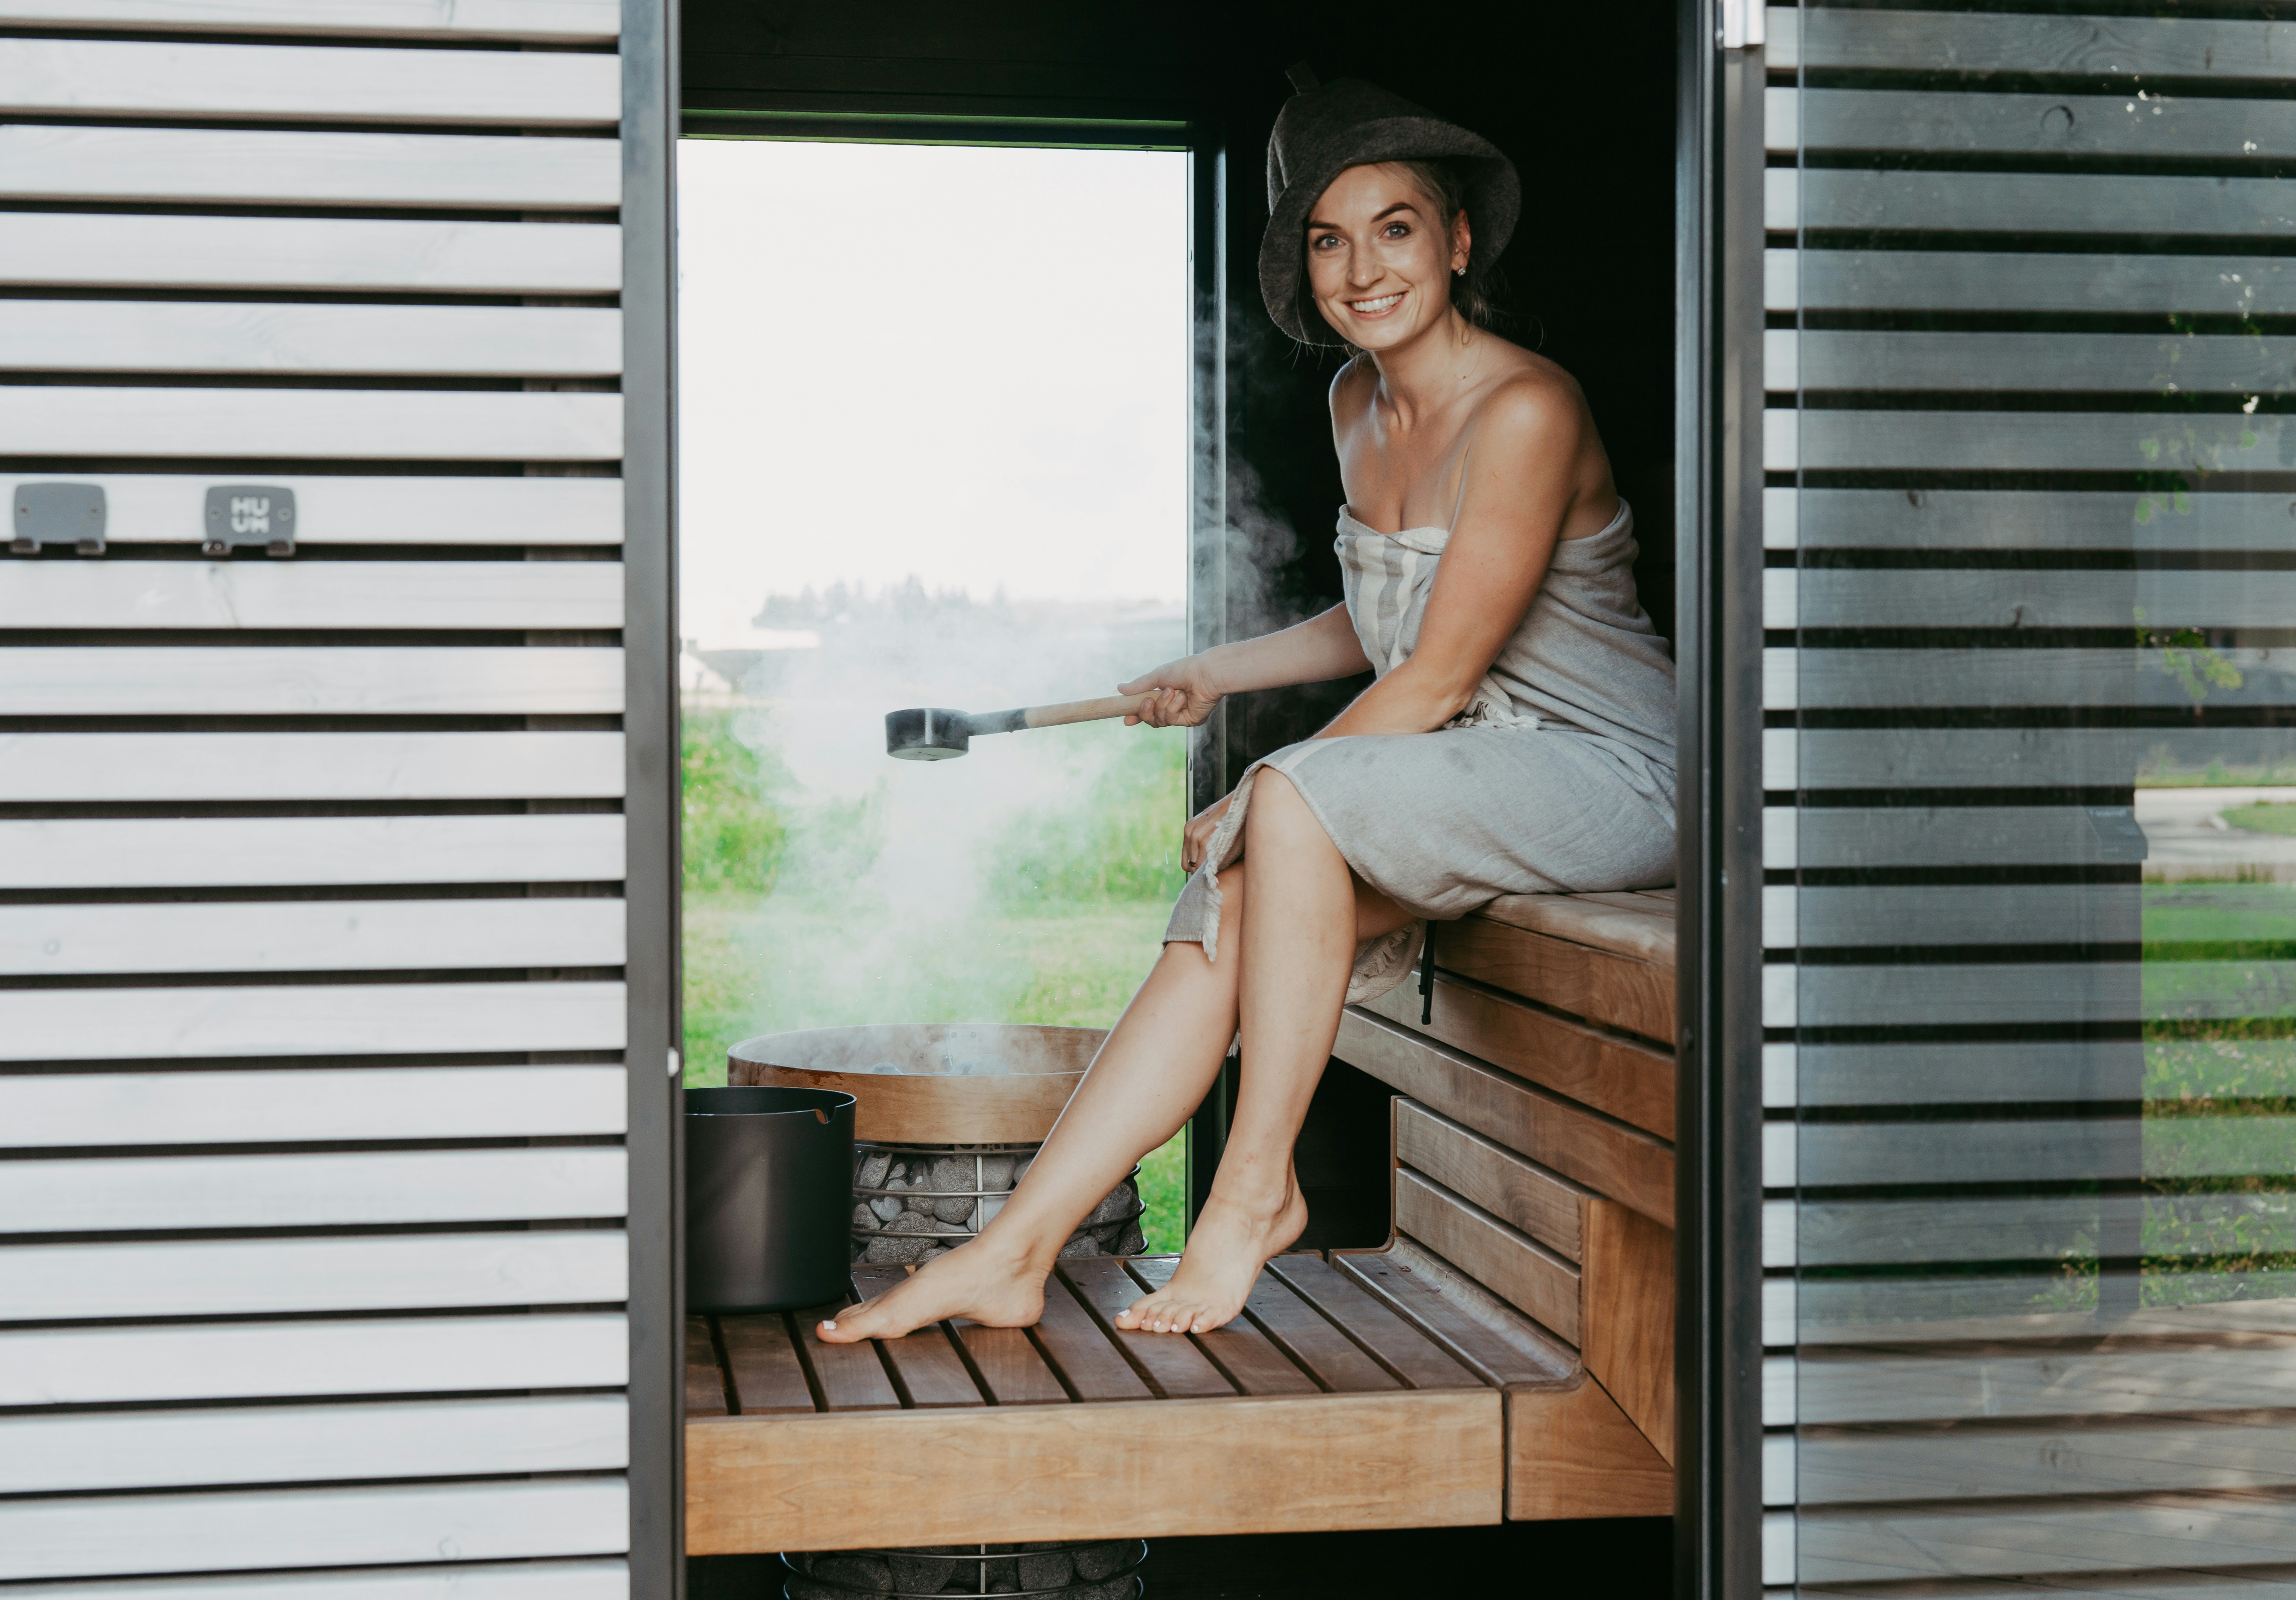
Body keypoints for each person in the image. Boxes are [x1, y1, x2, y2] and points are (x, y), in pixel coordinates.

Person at [820, 76, 1674, 1344]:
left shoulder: (1526, 407)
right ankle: (1011, 1249)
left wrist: (1263, 792)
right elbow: (1397, 620)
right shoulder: (1353, 405)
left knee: (1275, 819)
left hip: (1614, 773)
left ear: (1455, 240)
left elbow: (1437, 676)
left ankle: (1251, 1189)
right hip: (1475, 770)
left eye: (1393, 227)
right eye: (1328, 239)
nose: (1361, 267)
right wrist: (1218, 673)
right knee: (1226, 907)